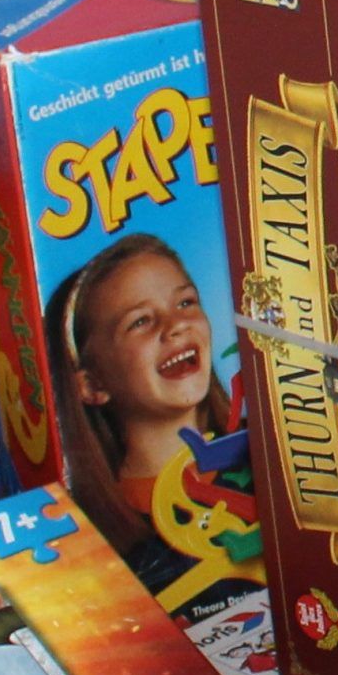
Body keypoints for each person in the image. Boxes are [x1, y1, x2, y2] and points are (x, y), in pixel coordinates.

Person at [43, 234, 260, 605]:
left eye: (186, 302)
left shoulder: (270, 458)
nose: (175, 325)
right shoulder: (93, 540)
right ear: (93, 384)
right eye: (140, 321)